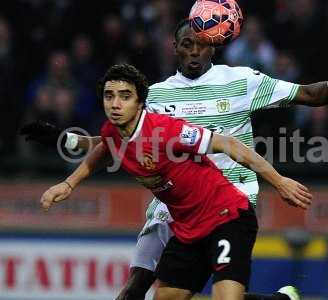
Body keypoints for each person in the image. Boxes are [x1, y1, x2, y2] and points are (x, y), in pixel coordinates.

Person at [21, 19, 328, 300]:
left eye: (201, 44)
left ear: (214, 46)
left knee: (220, 290)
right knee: (142, 287)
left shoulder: (241, 81)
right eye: (186, 44)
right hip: (171, 205)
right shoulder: (153, 94)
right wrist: (63, 141)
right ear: (175, 47)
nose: (194, 51)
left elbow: (306, 95)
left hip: (230, 196)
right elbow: (113, 141)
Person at [39, 63, 312, 300]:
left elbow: (229, 144)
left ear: (140, 102)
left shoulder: (165, 131)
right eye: (109, 96)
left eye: (125, 97)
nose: (115, 104)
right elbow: (105, 148)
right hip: (188, 229)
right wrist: (69, 183)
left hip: (227, 217)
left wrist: (279, 181)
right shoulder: (113, 130)